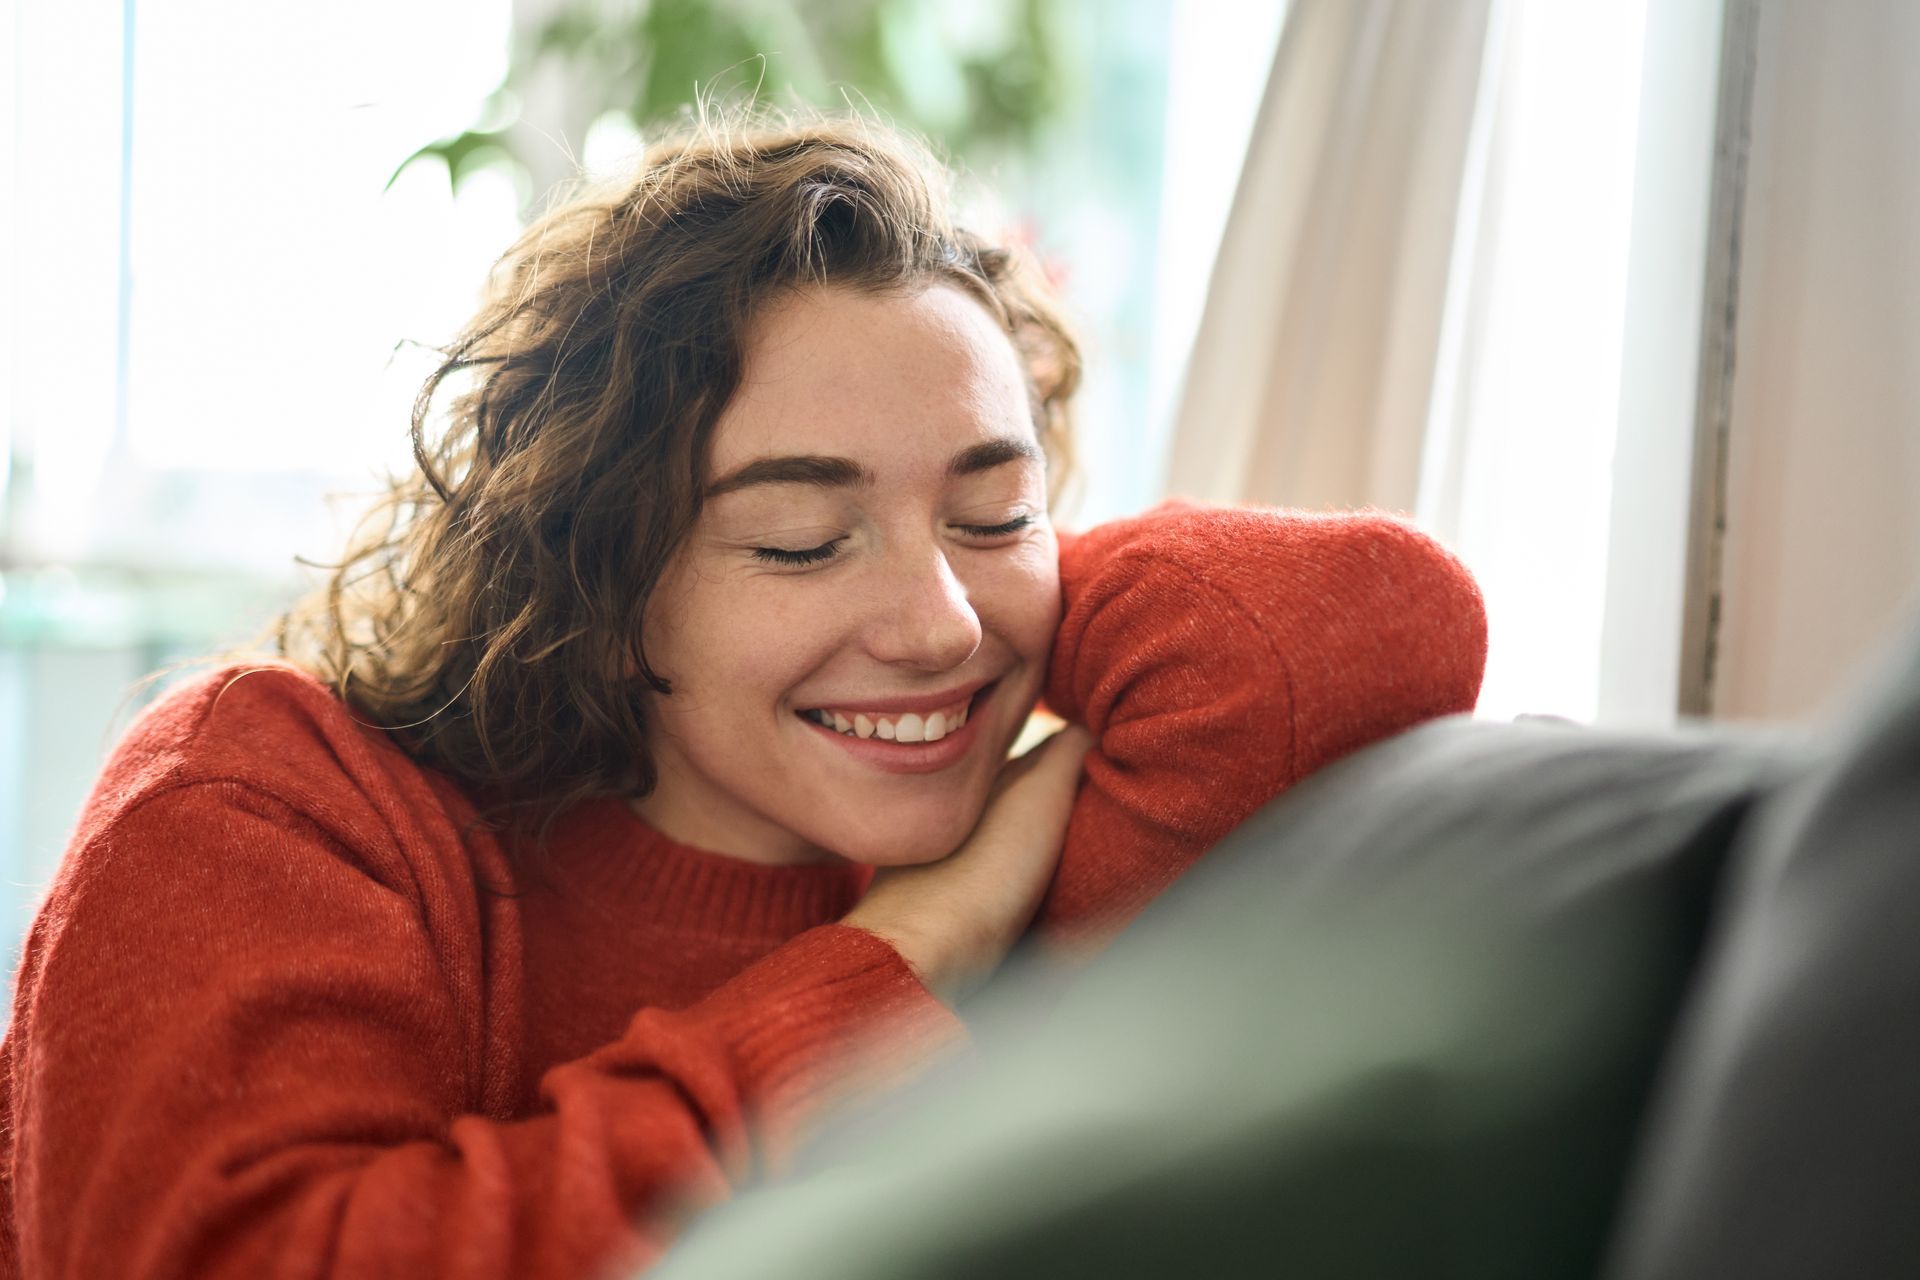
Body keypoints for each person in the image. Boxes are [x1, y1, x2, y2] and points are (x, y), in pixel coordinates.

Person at [0, 113, 1487, 1278]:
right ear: (600, 562)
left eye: (994, 510)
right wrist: (898, 963)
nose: (936, 627)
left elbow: (1388, 621)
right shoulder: (271, 801)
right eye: (798, 537)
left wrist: (1015, 580)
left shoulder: (1057, 815)